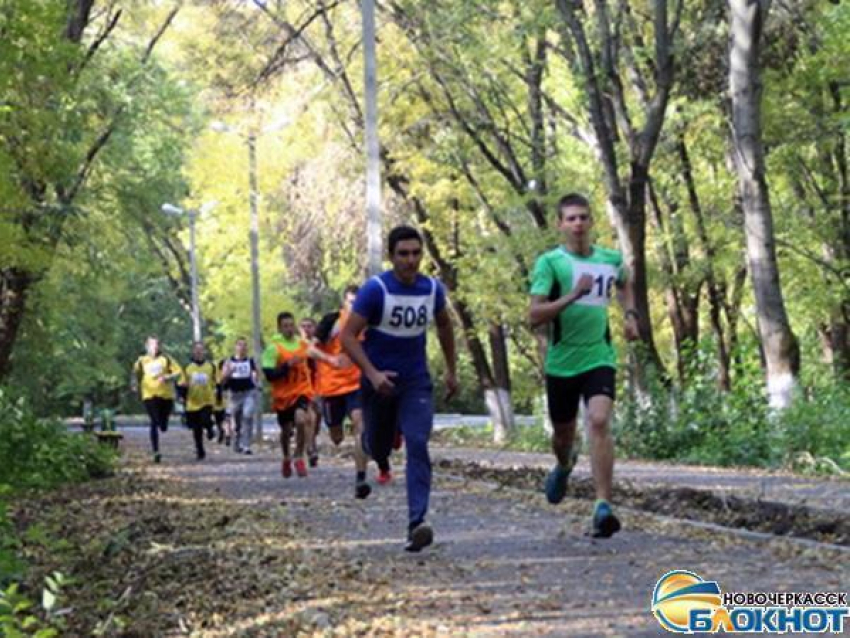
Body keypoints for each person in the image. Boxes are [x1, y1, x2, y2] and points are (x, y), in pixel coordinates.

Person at [528, 193, 639, 538]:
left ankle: (602, 505)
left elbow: (625, 281)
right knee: (564, 437)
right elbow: (533, 315)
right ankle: (564, 464)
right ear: (560, 225)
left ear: (592, 223)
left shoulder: (609, 259)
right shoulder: (550, 264)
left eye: (583, 217)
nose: (578, 224)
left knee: (599, 420)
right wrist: (573, 295)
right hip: (562, 363)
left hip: (598, 356)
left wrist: (630, 315)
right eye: (571, 218)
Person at [341, 225, 458, 552]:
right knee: (379, 449)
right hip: (379, 384)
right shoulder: (375, 290)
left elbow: (445, 326)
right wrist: (373, 374)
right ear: (391, 257)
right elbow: (347, 337)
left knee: (418, 443)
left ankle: (416, 522)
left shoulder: (432, 289)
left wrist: (451, 370)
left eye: (416, 253)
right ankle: (370, 443)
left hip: (415, 382)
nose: (410, 260)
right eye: (403, 254)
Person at [310, 285, 372, 499]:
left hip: (356, 385)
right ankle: (335, 429)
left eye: (359, 301)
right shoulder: (332, 321)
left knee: (360, 424)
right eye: (352, 301)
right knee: (336, 435)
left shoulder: (367, 322)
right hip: (332, 387)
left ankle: (361, 478)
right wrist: (330, 359)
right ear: (344, 302)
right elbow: (310, 348)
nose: (356, 305)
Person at [263, 312, 313, 478]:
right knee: (286, 430)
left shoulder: (303, 344)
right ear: (279, 328)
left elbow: (312, 363)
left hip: (301, 390)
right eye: (285, 326)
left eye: (291, 325)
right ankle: (286, 457)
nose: (289, 329)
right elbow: (269, 375)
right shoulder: (273, 348)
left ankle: (299, 456)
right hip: (283, 395)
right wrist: (286, 366)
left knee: (301, 420)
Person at [132, 336, 181, 463]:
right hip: (149, 394)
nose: (155, 348)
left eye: (157, 345)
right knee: (154, 421)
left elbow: (178, 373)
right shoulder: (142, 360)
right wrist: (133, 384)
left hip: (166, 395)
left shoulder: (166, 359)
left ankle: (163, 424)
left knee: (163, 424)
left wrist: (167, 377)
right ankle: (156, 451)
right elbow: (134, 373)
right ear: (147, 347)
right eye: (153, 345)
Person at [179, 341, 218, 460]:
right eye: (196, 350)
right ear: (193, 352)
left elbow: (216, 381)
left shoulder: (211, 366)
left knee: (205, 420)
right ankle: (200, 450)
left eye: (201, 350)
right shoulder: (188, 367)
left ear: (204, 352)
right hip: (192, 402)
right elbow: (182, 383)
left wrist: (219, 392)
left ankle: (210, 428)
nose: (199, 352)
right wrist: (182, 395)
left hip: (207, 400)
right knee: (197, 428)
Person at [221, 337, 259, 455]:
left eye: (244, 345)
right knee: (236, 421)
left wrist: (255, 379)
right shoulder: (229, 361)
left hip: (248, 392)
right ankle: (237, 442)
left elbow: (256, 373)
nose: (242, 348)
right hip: (234, 395)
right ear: (235, 347)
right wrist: (228, 373)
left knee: (247, 416)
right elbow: (222, 380)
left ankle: (246, 445)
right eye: (240, 345)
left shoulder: (250, 361)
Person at [298, 317, 321, 467]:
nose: (306, 329)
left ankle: (311, 441)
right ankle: (311, 448)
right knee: (309, 417)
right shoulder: (296, 345)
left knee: (317, 418)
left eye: (309, 326)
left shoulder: (320, 344)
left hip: (319, 384)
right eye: (303, 326)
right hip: (302, 386)